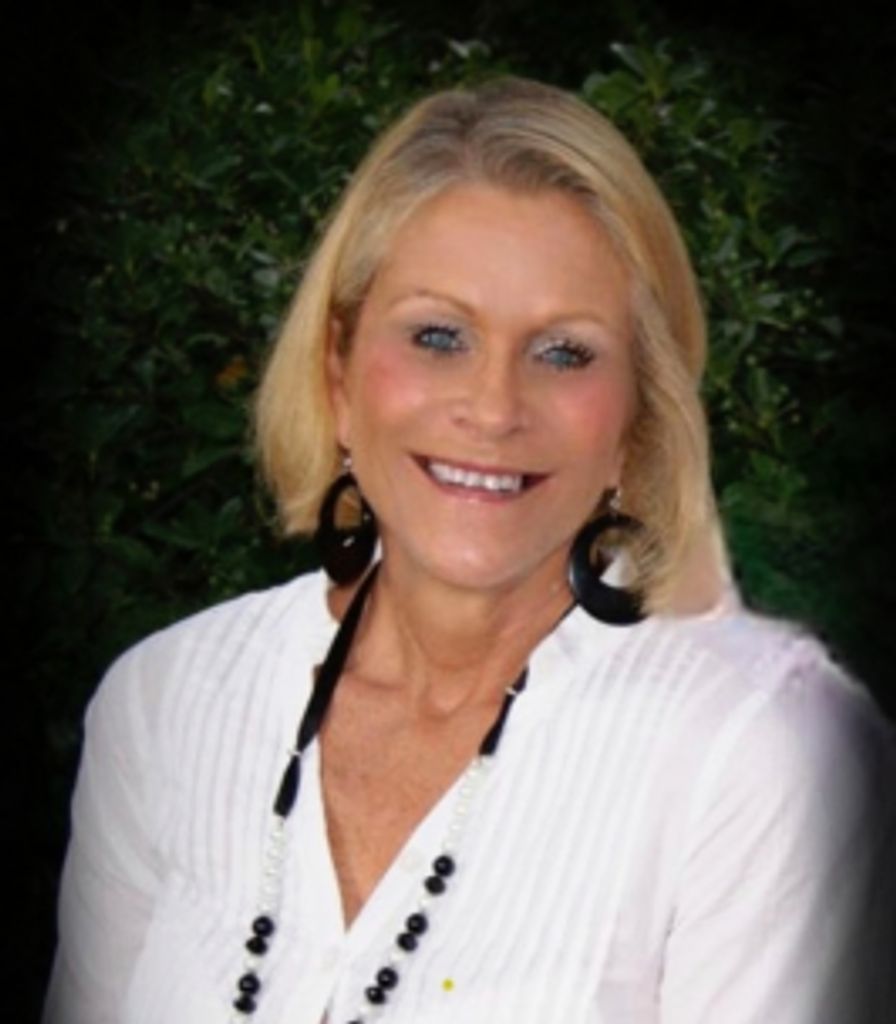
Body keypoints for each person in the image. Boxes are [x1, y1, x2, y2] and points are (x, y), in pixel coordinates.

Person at [44, 78, 894, 1024]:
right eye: (438, 336)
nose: (493, 409)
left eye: (564, 352)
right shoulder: (165, 701)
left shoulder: (763, 754)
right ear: (338, 370)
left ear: (638, 414)